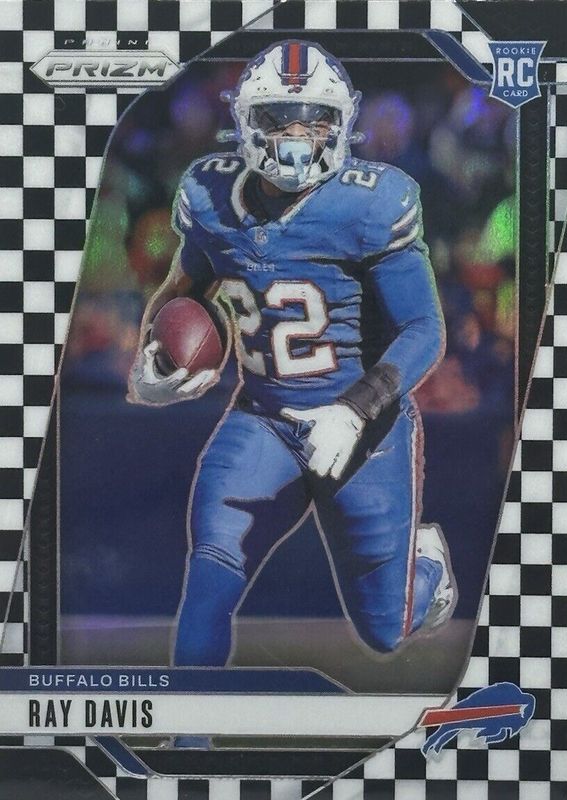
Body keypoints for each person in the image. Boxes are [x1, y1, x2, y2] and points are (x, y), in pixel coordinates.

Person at [129, 40, 457, 673]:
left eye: (316, 120)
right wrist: (153, 360)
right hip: (264, 418)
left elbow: (424, 330)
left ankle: (427, 570)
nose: (298, 136)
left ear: (343, 123)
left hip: (366, 430)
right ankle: (187, 724)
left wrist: (355, 410)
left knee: (383, 630)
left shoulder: (371, 203)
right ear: (247, 122)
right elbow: (182, 291)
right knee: (210, 572)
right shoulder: (210, 195)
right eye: (280, 118)